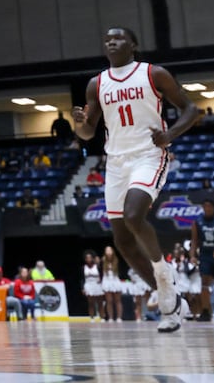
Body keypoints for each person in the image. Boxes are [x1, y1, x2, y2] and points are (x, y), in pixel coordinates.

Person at [72, 25, 202, 333]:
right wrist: (79, 125)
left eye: (118, 37)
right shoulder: (96, 84)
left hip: (148, 155)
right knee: (122, 241)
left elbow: (191, 109)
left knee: (133, 215)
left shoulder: (154, 73)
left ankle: (163, 275)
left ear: (133, 44)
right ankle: (169, 299)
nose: (112, 41)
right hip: (115, 161)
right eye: (107, 39)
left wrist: (170, 134)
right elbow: (89, 131)